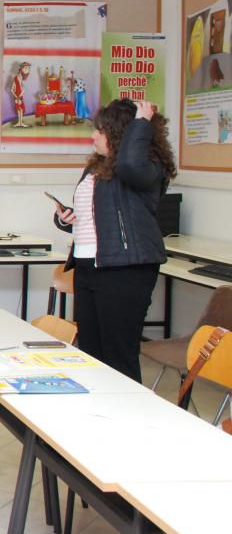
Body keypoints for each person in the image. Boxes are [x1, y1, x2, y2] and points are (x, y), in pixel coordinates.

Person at [53, 99, 176, 382]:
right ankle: (97, 407)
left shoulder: (147, 167)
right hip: (87, 265)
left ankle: (128, 409)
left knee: (119, 356)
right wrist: (65, 219)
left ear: (120, 133)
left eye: (101, 130)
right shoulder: (95, 168)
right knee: (91, 353)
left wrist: (141, 122)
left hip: (124, 269)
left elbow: (130, 166)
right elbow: (93, 216)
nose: (93, 136)